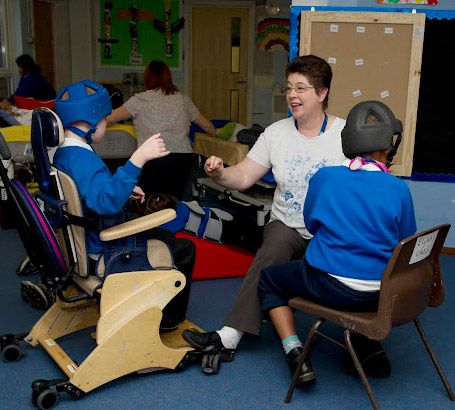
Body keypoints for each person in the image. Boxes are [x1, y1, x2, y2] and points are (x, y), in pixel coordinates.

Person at [182, 55, 347, 362]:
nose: (292, 95)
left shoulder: (344, 135)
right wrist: (219, 174)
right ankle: (231, 333)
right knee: (271, 252)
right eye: (289, 88)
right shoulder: (276, 133)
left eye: (301, 88)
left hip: (329, 228)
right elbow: (243, 175)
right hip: (287, 223)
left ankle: (362, 340)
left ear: (322, 93)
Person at [258, 100, 416, 386]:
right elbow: (405, 244)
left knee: (269, 279)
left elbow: (311, 224)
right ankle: (362, 342)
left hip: (332, 287)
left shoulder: (325, 177)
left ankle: (294, 350)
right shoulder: (399, 188)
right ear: (385, 149)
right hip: (381, 294)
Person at [21, 79, 196, 331]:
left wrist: (123, 190)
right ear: (90, 122)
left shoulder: (64, 154)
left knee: (163, 236)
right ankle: (168, 321)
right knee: (183, 248)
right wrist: (139, 158)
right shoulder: (84, 159)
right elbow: (104, 202)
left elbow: (91, 192)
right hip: (103, 251)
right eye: (104, 120)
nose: (106, 124)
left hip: (81, 246)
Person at [106, 60, 218, 199]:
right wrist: (216, 135)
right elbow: (206, 125)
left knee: (149, 202)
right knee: (173, 202)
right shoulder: (183, 99)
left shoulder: (139, 100)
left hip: (154, 159)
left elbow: (108, 119)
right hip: (183, 159)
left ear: (148, 78)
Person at [137, 193, 263, 254]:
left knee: (249, 240)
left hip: (222, 229)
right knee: (248, 225)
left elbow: (160, 233)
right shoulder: (179, 204)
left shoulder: (175, 220)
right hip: (218, 215)